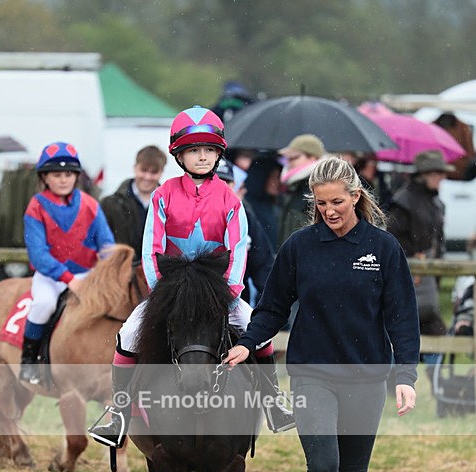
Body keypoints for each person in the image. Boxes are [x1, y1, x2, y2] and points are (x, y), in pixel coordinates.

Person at [225, 156, 420, 472]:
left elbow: (402, 318)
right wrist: (248, 340)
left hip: (366, 378)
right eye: (321, 202)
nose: (329, 210)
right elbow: (273, 305)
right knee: (324, 463)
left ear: (356, 197)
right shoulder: (299, 247)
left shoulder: (383, 250)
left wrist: (405, 374)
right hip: (312, 373)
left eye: (338, 202)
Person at [89, 106, 295, 448]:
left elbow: (239, 249)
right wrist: (162, 293)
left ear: (218, 153)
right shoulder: (162, 194)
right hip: (170, 290)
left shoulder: (231, 199)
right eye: (194, 150)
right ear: (180, 155)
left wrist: (228, 292)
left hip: (219, 292)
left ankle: (273, 401)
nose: (202, 157)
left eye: (209, 150)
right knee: (127, 333)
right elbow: (151, 248)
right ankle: (119, 413)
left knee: (257, 330)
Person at [19, 142, 114, 384]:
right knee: (43, 304)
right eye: (57, 174)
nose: (63, 179)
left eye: (69, 174)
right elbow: (38, 254)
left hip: (88, 276)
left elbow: (106, 245)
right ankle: (29, 362)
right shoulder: (36, 207)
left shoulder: (91, 205)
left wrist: (106, 270)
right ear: (45, 177)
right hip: (51, 277)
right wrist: (68, 279)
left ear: (76, 176)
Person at [387, 150, 452, 367]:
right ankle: (395, 384)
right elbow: (391, 242)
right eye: (438, 173)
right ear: (425, 173)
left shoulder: (435, 203)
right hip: (407, 280)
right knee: (401, 331)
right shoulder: (403, 202)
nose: (442, 177)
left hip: (428, 281)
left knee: (435, 332)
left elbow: (438, 241)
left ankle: (436, 385)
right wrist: (410, 261)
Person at [215, 158, 274, 306]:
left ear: (234, 185)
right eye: (215, 182)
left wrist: (270, 307)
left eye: (226, 182)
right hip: (198, 299)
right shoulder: (187, 214)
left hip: (237, 301)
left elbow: (263, 264)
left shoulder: (245, 217)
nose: (220, 188)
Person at [100, 145, 167, 259]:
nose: (147, 177)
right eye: (144, 170)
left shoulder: (169, 205)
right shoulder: (109, 205)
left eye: (154, 172)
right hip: (120, 272)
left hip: (157, 273)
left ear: (161, 172)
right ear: (135, 168)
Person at [277, 134, 326, 245]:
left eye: (294, 157)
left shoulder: (317, 185)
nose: (289, 162)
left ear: (313, 157)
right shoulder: (293, 184)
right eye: (287, 158)